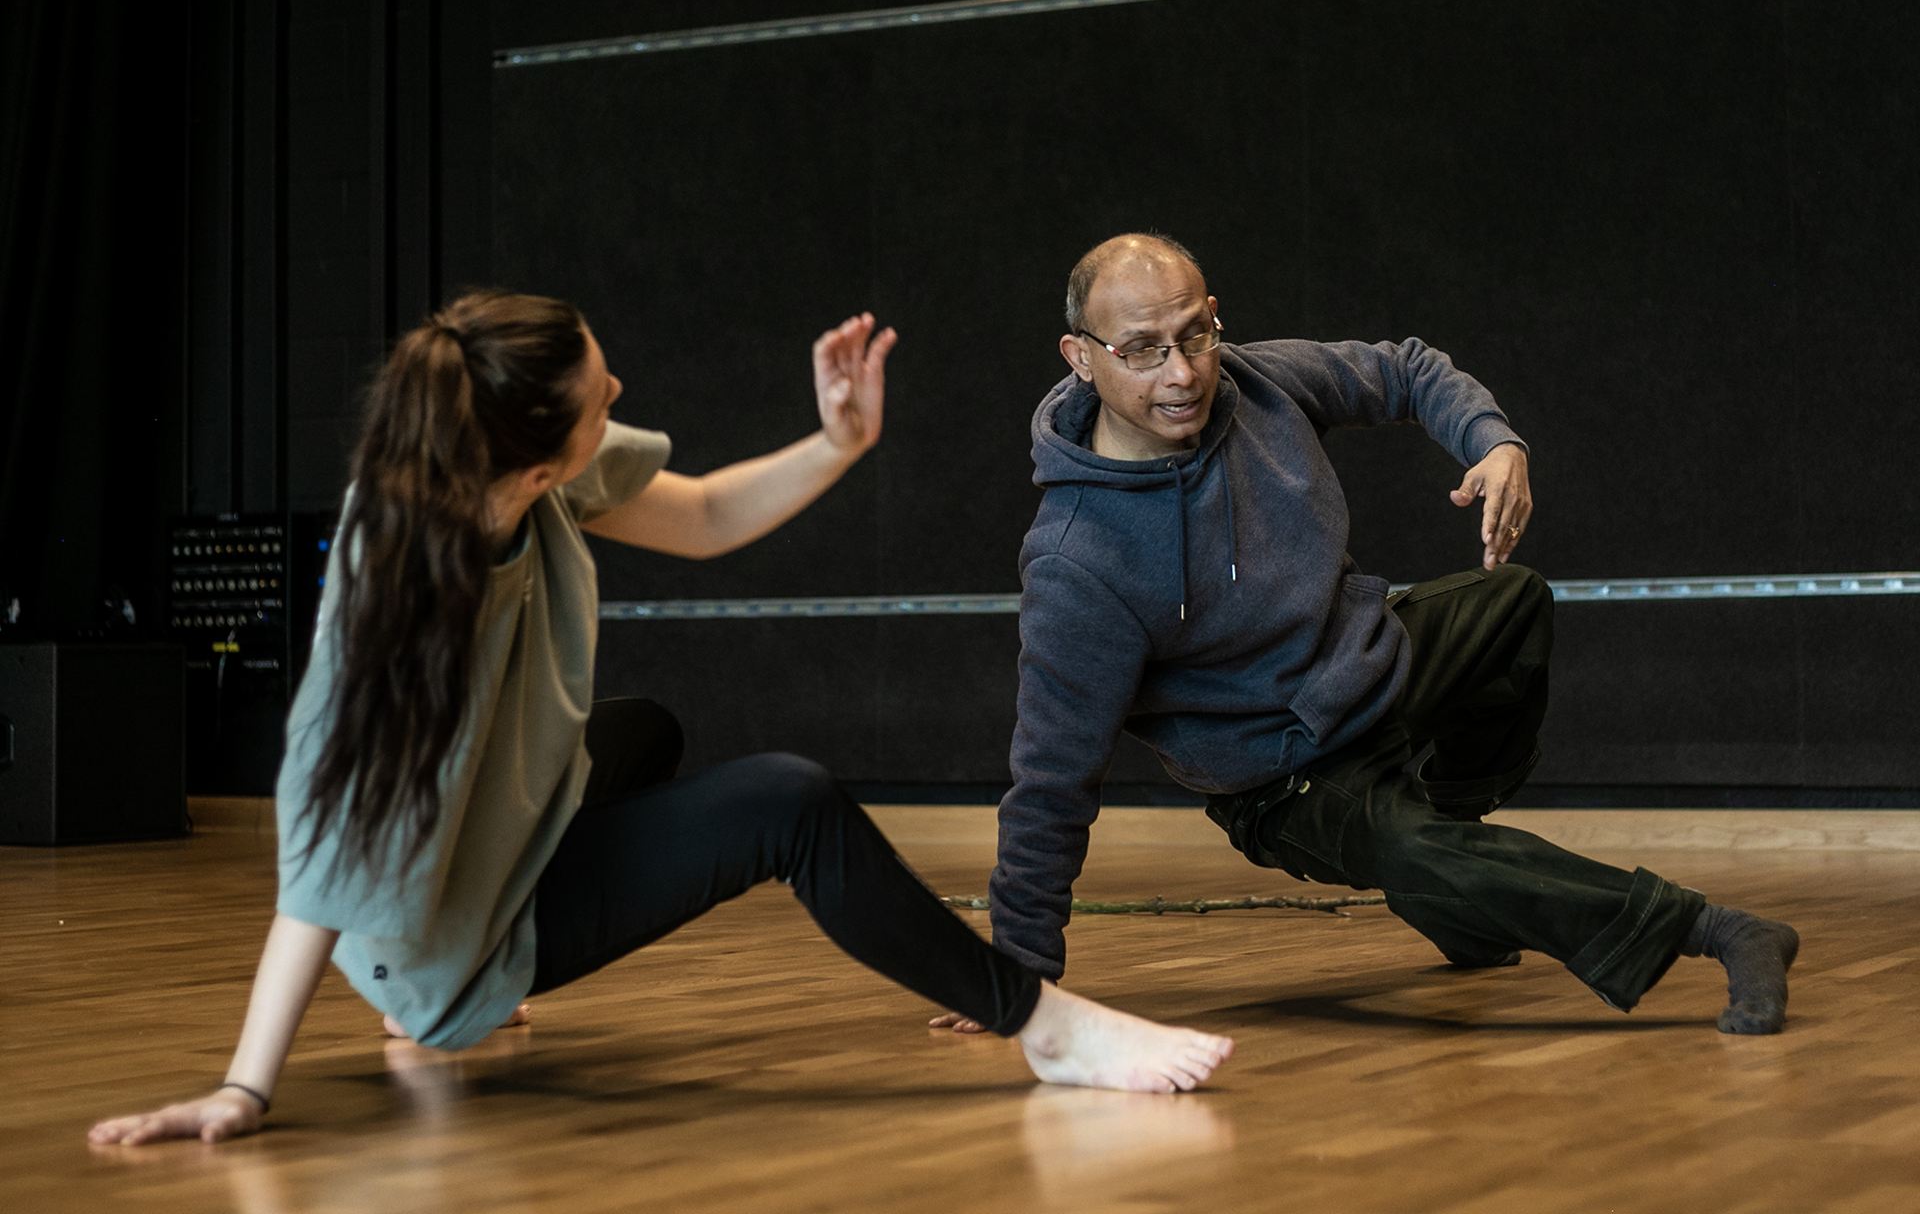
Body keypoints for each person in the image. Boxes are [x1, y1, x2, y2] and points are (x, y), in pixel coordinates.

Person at [91, 290, 1234, 1147]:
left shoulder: (500, 464)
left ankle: (438, 972)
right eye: (601, 394)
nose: (620, 392)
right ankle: (1044, 1025)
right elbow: (319, 855)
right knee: (789, 799)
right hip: (434, 945)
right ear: (539, 460)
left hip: (460, 871)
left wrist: (840, 441)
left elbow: (699, 517)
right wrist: (244, 1088)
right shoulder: (397, 614)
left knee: (642, 731)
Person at [934, 234, 1798, 1040]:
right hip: (1282, 775)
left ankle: (1454, 883)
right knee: (1419, 849)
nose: (1184, 372)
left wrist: (1495, 444)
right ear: (1081, 357)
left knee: (1513, 604)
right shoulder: (1078, 559)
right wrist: (1017, 970)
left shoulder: (1258, 383)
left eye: (1196, 334)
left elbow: (1407, 369)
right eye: (1143, 348)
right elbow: (1051, 779)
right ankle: (1713, 929)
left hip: (1368, 666)